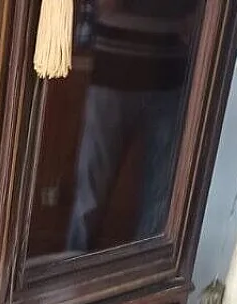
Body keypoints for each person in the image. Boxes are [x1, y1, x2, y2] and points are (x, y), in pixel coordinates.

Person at [66, 0, 200, 252]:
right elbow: (106, 5)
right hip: (115, 70)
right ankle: (72, 263)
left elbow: (198, 17)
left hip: (170, 73)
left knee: (160, 193)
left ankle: (147, 274)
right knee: (91, 187)